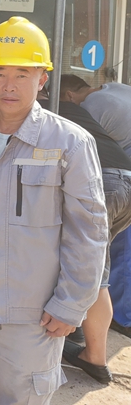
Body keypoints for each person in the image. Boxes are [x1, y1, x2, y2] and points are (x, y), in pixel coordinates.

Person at [0, 16, 108, 405]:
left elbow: (89, 232)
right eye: (0, 73)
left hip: (32, 302)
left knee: (20, 395)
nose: (9, 85)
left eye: (23, 74)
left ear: (42, 79)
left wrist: (71, 303)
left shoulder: (69, 143)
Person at [37, 75, 131, 383]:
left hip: (104, 182)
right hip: (126, 180)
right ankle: (83, 339)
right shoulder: (76, 110)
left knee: (90, 271)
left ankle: (92, 355)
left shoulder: (41, 115)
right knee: (94, 267)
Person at [57, 75, 131, 342]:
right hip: (126, 176)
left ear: (67, 95)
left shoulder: (89, 106)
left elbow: (83, 151)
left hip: (110, 181)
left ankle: (86, 333)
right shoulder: (115, 88)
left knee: (92, 265)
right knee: (103, 259)